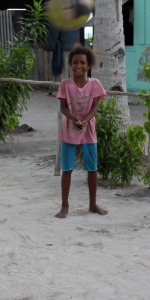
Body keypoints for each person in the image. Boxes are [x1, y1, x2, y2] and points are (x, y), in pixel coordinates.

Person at [55, 46, 108, 219]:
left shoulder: (95, 84)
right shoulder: (65, 84)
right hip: (69, 130)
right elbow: (63, 107)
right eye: (75, 62)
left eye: (82, 62)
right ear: (70, 64)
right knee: (67, 168)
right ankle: (65, 205)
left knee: (92, 168)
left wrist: (84, 121)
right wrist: (74, 119)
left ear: (89, 64)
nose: (79, 66)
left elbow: (95, 107)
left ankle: (93, 204)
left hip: (88, 130)